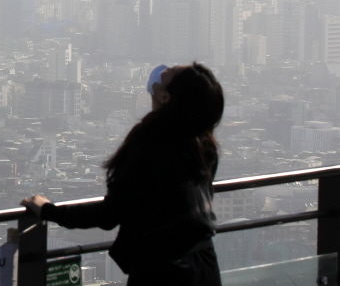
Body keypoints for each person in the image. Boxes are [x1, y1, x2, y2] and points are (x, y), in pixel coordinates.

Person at [22, 63, 224, 285]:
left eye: (171, 74)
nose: (164, 70)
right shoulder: (204, 146)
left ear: (166, 97)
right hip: (205, 267)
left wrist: (49, 211)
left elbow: (110, 214)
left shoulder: (150, 142)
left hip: (161, 270)